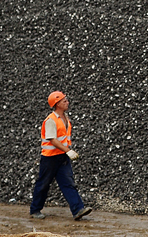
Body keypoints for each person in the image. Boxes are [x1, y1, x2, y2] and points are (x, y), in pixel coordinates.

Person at [29, 90, 93, 220]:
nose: (67, 102)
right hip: (50, 158)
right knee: (44, 183)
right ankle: (35, 210)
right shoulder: (51, 120)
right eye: (64, 101)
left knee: (68, 182)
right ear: (57, 104)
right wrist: (68, 150)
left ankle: (78, 210)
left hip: (62, 156)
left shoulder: (65, 118)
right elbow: (52, 139)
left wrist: (66, 151)